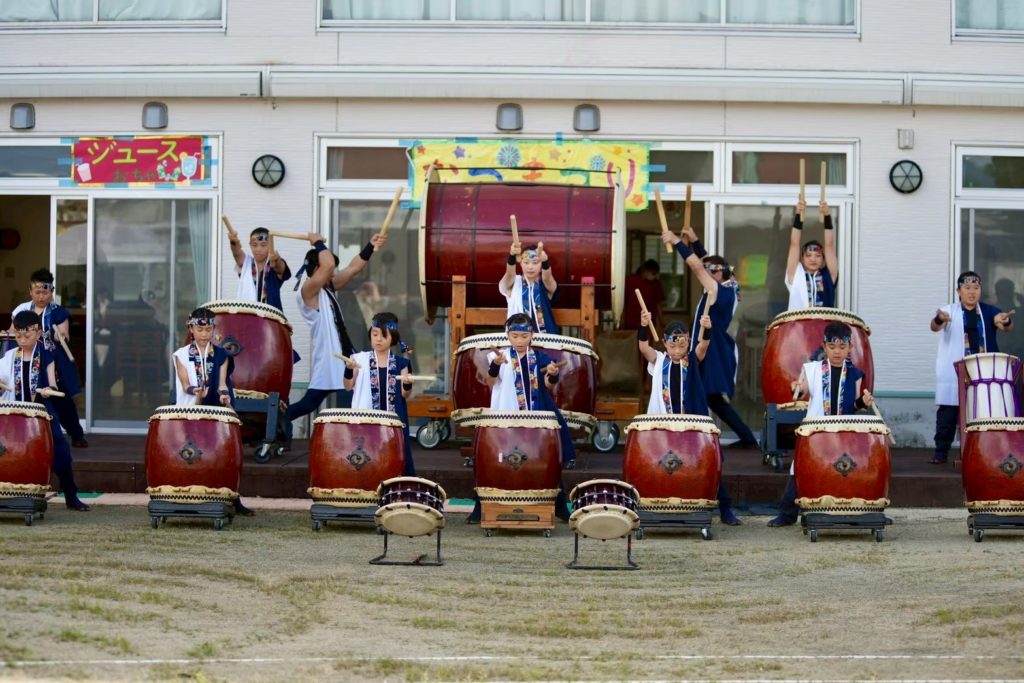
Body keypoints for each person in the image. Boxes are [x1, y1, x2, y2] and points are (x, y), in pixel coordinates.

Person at [638, 308, 743, 526]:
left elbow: (703, 345)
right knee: (662, 465)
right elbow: (643, 347)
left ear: (687, 342)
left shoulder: (693, 360)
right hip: (665, 425)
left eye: (682, 346)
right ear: (665, 343)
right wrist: (643, 325)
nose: (677, 350)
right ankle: (660, 505)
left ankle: (725, 508)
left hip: (691, 424)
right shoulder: (659, 361)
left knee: (708, 462)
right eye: (672, 346)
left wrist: (707, 328)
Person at [466, 313, 575, 522]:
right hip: (505, 414)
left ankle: (559, 505)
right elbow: (490, 381)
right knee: (493, 460)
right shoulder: (499, 356)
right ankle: (480, 507)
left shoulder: (540, 357)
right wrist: (496, 364)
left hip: (535, 415)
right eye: (515, 336)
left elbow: (548, 384)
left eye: (524, 336)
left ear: (532, 335)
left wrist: (552, 373)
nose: (519, 341)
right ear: (508, 335)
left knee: (545, 458)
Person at [768, 321, 875, 527]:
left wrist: (863, 402)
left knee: (847, 472)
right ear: (824, 346)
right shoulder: (812, 369)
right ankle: (787, 514)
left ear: (850, 347)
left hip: (844, 432)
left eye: (842, 347)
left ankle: (854, 513)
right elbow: (801, 391)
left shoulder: (855, 374)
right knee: (800, 470)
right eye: (832, 347)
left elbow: (853, 405)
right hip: (816, 430)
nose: (837, 352)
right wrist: (796, 388)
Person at [663, 232, 760, 449]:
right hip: (713, 347)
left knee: (700, 392)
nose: (708, 273)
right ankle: (743, 438)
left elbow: (698, 267)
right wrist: (695, 241)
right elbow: (707, 264)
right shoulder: (730, 286)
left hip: (710, 348)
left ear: (721, 273)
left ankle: (699, 439)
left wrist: (677, 242)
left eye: (713, 271)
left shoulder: (717, 290)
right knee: (711, 397)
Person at [287, 231, 386, 422]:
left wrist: (370, 246)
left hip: (343, 354)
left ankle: (278, 422)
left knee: (350, 396)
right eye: (328, 270)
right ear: (318, 269)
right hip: (329, 357)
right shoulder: (307, 291)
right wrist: (317, 242)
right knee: (311, 403)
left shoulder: (327, 288)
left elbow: (353, 268)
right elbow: (329, 264)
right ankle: (275, 422)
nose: (333, 273)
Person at [0, 311, 90, 511]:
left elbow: (51, 382)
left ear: (38, 333)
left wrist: (50, 389)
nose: (22, 340)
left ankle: (71, 495)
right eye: (18, 336)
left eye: (27, 335)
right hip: (15, 413)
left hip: (42, 413)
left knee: (60, 451)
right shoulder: (9, 357)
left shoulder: (46, 355)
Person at [171, 307, 253, 516]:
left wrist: (225, 398)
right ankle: (186, 498)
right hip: (190, 409)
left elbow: (222, 384)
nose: (204, 334)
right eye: (200, 329)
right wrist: (196, 392)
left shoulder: (221, 355)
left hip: (215, 407)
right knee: (190, 454)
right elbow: (185, 384)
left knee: (225, 454)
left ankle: (232, 497)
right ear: (191, 329)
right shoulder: (181, 355)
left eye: (208, 329)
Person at [929, 271, 1013, 465]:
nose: (972, 292)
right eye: (967, 288)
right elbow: (934, 326)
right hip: (956, 369)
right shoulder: (949, 310)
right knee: (949, 411)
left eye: (976, 288)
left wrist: (1005, 321)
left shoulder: (989, 311)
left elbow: (1005, 326)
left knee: (985, 409)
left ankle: (988, 452)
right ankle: (941, 452)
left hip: (983, 368)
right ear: (959, 291)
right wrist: (940, 319)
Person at [11, 269, 87, 447]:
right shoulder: (22, 310)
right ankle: (30, 437)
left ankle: (76, 434)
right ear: (30, 291)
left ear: (51, 292)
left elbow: (64, 333)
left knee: (61, 400)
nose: (41, 296)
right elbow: (12, 331)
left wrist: (60, 335)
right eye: (37, 292)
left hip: (52, 363)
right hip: (28, 361)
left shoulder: (58, 312)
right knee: (28, 397)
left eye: (45, 292)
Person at [343, 312, 415, 475]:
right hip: (366, 419)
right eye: (375, 334)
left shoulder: (402, 363)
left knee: (395, 458)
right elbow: (348, 386)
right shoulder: (358, 360)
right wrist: (348, 370)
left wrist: (407, 382)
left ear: (393, 338)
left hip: (394, 419)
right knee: (368, 459)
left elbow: (405, 394)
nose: (378, 339)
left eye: (384, 335)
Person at [785, 198, 838, 310]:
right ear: (802, 259)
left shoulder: (828, 276)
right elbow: (794, 243)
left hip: (824, 321)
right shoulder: (796, 275)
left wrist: (827, 215)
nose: (813, 259)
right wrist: (799, 215)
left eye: (818, 256)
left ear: (823, 260)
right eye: (808, 255)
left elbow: (829, 245)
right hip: (800, 321)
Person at [499, 241, 559, 334]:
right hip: (519, 338)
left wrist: (545, 261)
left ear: (541, 266)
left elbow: (547, 278)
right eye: (526, 262)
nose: (530, 267)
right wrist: (512, 257)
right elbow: (510, 274)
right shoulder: (514, 284)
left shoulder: (545, 285)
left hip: (546, 338)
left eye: (535, 263)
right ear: (521, 264)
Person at [228, 227, 292, 311]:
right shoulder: (246, 264)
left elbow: (280, 267)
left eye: (263, 245)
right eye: (254, 245)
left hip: (271, 316)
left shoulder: (274, 264)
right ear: (250, 245)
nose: (258, 249)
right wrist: (234, 242)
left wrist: (276, 259)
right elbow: (237, 253)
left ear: (270, 245)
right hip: (247, 315)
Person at [621, 259, 665, 331]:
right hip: (631, 321)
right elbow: (623, 301)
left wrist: (662, 321)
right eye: (653, 273)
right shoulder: (630, 281)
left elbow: (658, 304)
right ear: (645, 271)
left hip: (648, 323)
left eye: (655, 274)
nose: (654, 276)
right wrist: (622, 317)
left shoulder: (656, 284)